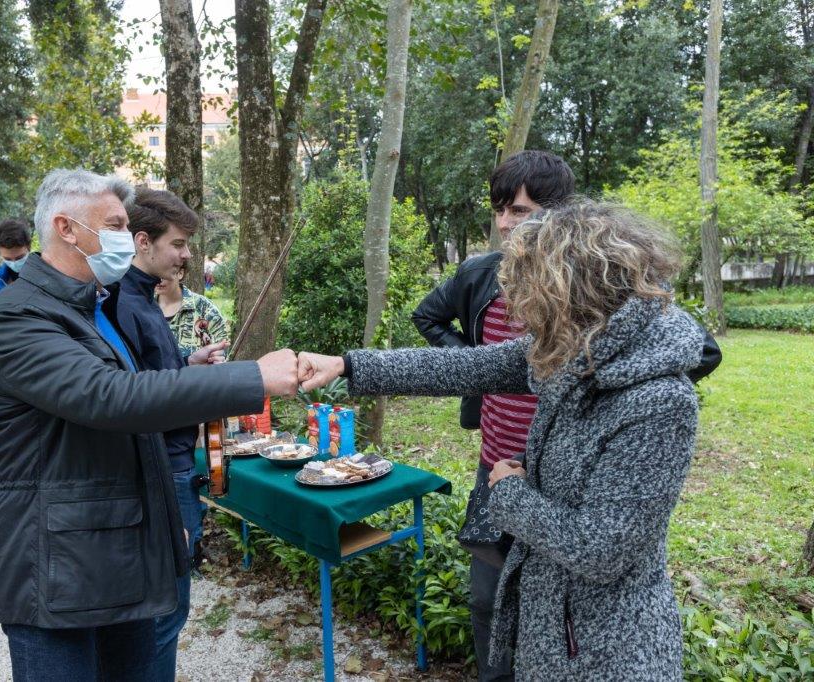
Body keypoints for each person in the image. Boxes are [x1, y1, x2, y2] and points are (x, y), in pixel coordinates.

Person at [298, 201, 711, 679]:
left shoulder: (658, 401)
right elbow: (465, 366)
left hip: (606, 651)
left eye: (531, 295)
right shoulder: (578, 347)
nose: (521, 313)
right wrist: (346, 365)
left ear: (573, 293)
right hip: (552, 624)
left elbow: (601, 551)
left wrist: (510, 493)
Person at [0, 168, 298, 682]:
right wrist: (254, 377)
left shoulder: (90, 306)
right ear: (67, 228)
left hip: (111, 546)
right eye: (116, 225)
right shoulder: (19, 318)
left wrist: (164, 522)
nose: (128, 237)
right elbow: (114, 398)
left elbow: (137, 417)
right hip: (54, 565)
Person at [409, 150, 721, 682]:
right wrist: (345, 366)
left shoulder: (642, 378)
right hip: (500, 467)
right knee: (488, 595)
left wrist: (601, 398)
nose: (504, 223)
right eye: (499, 209)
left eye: (519, 210)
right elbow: (465, 354)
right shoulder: (492, 284)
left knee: (551, 597)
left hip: (553, 489)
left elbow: (596, 552)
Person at [114, 187, 229, 679]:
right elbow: (137, 395)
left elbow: (152, 371)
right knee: (166, 612)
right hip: (165, 468)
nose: (186, 255)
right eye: (178, 244)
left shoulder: (140, 298)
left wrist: (188, 361)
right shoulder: (126, 303)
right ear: (143, 241)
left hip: (176, 464)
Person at [156, 265, 229, 358]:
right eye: (154, 272)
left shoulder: (204, 308)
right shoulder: (144, 307)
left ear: (180, 273)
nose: (159, 279)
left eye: (164, 271)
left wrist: (218, 356)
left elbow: (223, 348)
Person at [0, 218, 32, 309]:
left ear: (28, 247)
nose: (14, 263)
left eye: (19, 258)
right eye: (7, 259)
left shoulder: (45, 275)